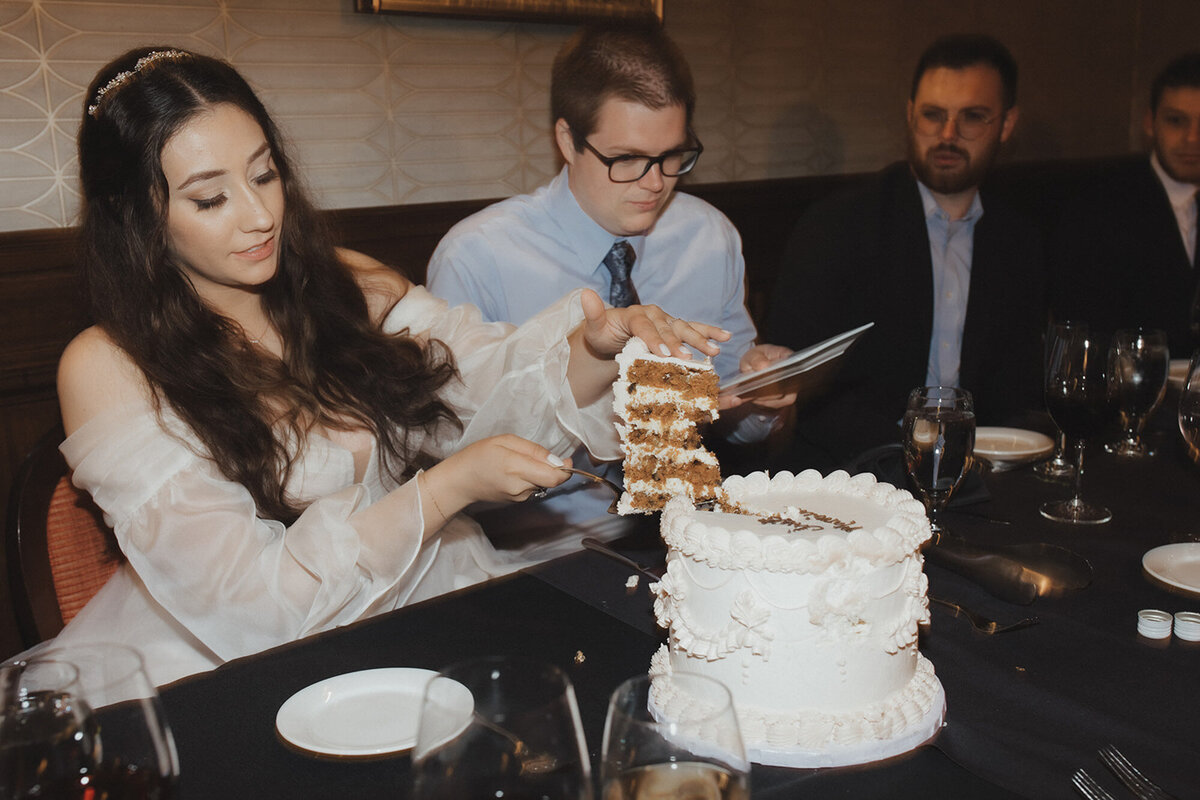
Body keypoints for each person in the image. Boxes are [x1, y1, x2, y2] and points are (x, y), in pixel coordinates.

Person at [34, 47, 729, 689]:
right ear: (140, 216)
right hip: (241, 654)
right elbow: (253, 612)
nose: (258, 216)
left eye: (265, 173)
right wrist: (441, 492)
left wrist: (591, 348)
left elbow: (475, 383)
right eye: (211, 199)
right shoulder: (107, 364)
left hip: (418, 593)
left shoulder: (344, 284)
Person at [426, 25, 796, 547]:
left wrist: (763, 392)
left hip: (690, 531)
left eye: (674, 156)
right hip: (537, 550)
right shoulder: (478, 258)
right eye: (626, 159)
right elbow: (451, 460)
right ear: (566, 141)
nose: (655, 182)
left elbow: (735, 414)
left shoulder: (708, 236)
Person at [766, 33, 1045, 472]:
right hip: (854, 472)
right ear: (910, 114)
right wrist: (915, 449)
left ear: (1006, 125)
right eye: (934, 116)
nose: (948, 135)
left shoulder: (1021, 241)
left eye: (972, 117)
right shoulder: (837, 226)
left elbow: (1021, 388)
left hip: (985, 474)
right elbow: (798, 384)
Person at [1051, 52, 1200, 357]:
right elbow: (1085, 334)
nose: (1192, 138)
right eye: (1176, 121)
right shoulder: (1099, 208)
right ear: (1150, 123)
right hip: (1131, 392)